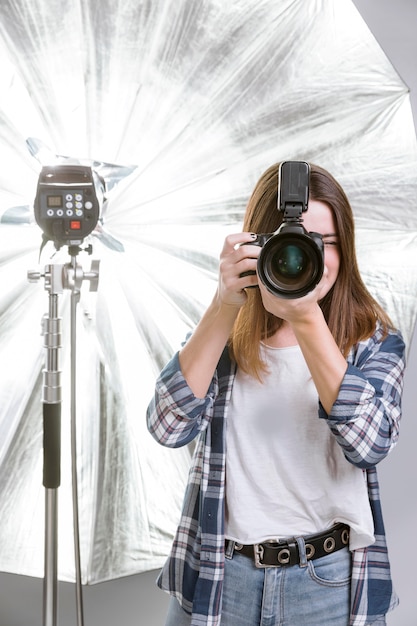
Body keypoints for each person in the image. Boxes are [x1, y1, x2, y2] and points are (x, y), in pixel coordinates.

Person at [146, 162, 405, 626]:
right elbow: (167, 426)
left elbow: (371, 445)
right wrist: (223, 304)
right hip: (223, 576)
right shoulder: (225, 340)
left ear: (344, 251)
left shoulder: (374, 342)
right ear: (257, 247)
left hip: (329, 583)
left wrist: (307, 320)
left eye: (322, 243)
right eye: (289, 243)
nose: (303, 256)